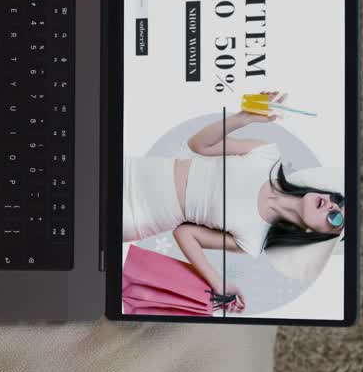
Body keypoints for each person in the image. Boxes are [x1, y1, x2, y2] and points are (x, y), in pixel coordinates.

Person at [122, 92, 346, 312]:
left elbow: (184, 234)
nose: (332, 205)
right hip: (134, 169)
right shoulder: (268, 155)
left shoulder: (252, 241)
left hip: (137, 216)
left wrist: (218, 283)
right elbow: (199, 145)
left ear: (313, 233)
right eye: (337, 200)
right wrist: (242, 118)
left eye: (334, 217)